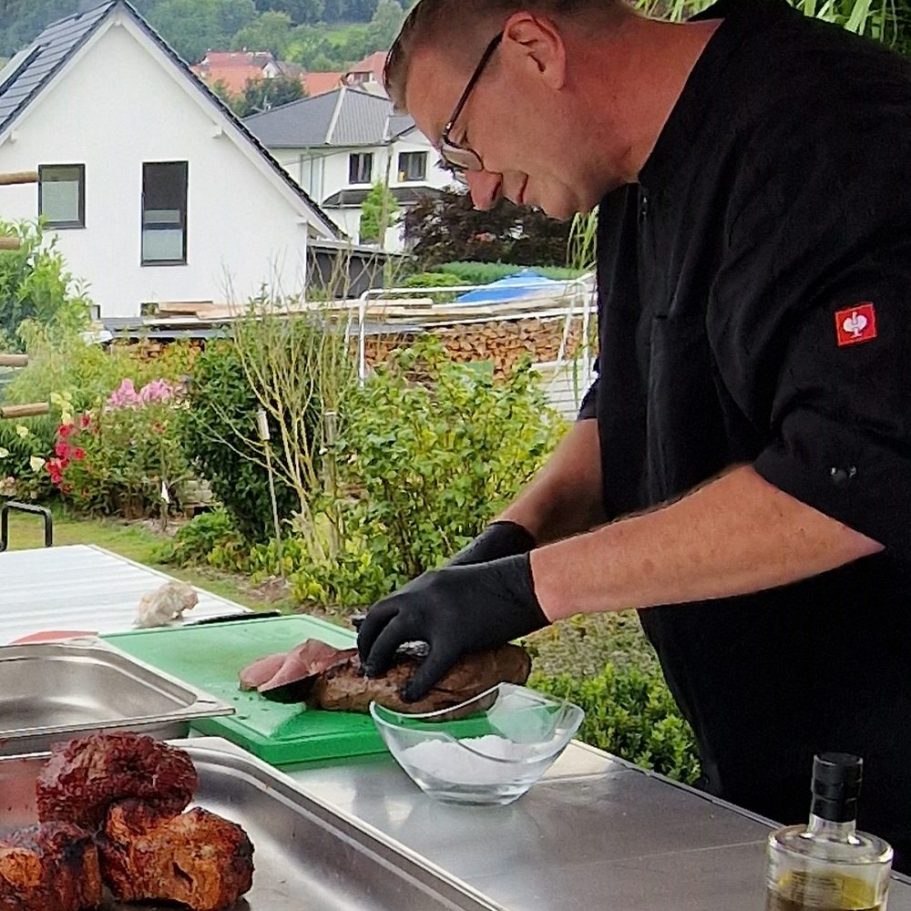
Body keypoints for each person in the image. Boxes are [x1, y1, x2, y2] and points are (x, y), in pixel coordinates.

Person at [357, 0, 911, 870]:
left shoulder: (838, 134)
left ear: (533, 49)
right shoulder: (632, 177)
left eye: (459, 144)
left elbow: (851, 475)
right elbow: (629, 399)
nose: (478, 189)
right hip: (775, 783)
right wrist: (505, 543)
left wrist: (530, 586)